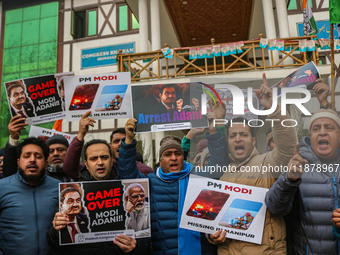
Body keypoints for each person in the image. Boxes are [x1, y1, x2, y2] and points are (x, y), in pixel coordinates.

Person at [206, 73, 297, 254]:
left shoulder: (268, 162)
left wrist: (273, 109)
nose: (238, 139)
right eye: (233, 135)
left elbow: (288, 149)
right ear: (228, 142)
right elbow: (211, 219)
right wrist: (212, 236)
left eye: (244, 135)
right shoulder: (222, 176)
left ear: (253, 140)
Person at [50, 112, 148, 254]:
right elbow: (54, 243)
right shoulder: (72, 194)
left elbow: (144, 238)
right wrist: (56, 229)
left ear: (112, 160)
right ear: (86, 164)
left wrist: (136, 246)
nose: (100, 162)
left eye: (104, 157)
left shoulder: (128, 190)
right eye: (94, 158)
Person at [118, 118, 217, 255]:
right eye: (167, 154)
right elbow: (128, 173)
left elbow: (217, 164)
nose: (174, 158)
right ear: (160, 160)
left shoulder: (198, 178)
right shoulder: (151, 182)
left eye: (178, 153)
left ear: (183, 157)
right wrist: (129, 140)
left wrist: (213, 129)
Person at [265, 109, 340, 255]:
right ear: (310, 136)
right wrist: (289, 180)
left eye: (329, 128)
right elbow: (274, 208)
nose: (322, 132)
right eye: (316, 128)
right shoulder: (297, 165)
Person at [0, 137, 60, 255]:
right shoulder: (2, 187)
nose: (32, 160)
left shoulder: (60, 188)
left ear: (46, 163)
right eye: (27, 156)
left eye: (38, 156)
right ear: (18, 162)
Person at [3, 116, 72, 181]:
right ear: (45, 160)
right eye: (51, 151)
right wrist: (14, 138)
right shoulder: (36, 177)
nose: (56, 154)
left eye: (60, 150)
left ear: (69, 152)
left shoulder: (80, 173)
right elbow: (10, 172)